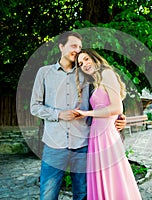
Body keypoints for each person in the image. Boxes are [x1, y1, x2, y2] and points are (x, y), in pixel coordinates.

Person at [30, 31, 126, 200]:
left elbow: (103, 99)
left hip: (82, 143)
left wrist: (120, 117)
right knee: (48, 195)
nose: (77, 50)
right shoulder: (44, 73)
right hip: (54, 144)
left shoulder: (86, 74)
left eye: (80, 47)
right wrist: (59, 114)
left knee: (82, 194)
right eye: (73, 46)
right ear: (61, 47)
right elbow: (34, 107)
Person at [75, 49, 142, 200]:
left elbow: (117, 107)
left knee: (113, 177)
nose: (84, 64)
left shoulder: (107, 73)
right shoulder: (93, 83)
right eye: (80, 63)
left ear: (94, 58)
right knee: (100, 178)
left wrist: (87, 113)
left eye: (86, 59)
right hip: (95, 135)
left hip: (106, 135)